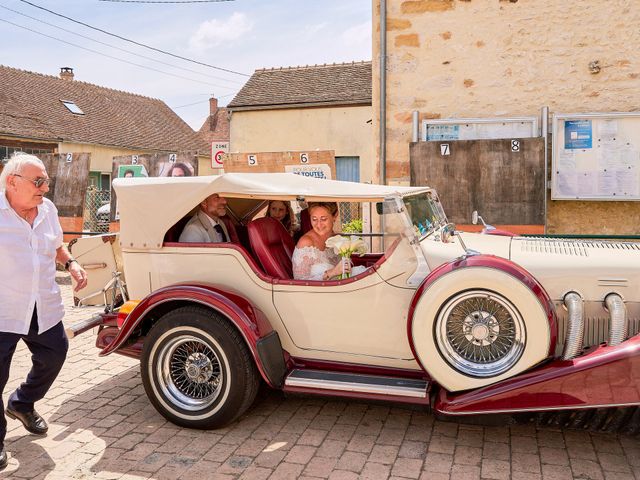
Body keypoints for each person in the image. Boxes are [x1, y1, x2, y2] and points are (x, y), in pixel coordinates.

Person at [0, 153, 88, 470]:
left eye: (46, 181)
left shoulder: (47, 210)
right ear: (12, 182)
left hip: (42, 305)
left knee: (55, 354)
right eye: (38, 182)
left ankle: (22, 403)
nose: (45, 188)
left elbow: (56, 245)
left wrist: (71, 263)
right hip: (4, 310)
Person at [292, 202, 366, 281]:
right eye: (314, 219)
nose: (319, 225)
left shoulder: (338, 239)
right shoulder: (306, 243)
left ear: (335, 216)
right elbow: (299, 281)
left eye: (323, 219)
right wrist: (331, 273)